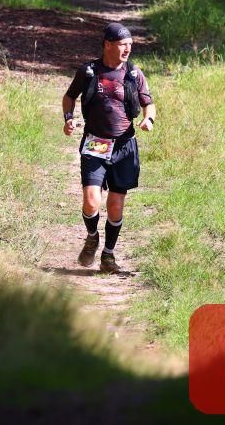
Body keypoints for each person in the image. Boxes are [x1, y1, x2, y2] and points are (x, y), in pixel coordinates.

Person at [62, 23, 156, 274]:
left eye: (130, 45)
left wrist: (148, 119)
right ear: (107, 44)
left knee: (115, 205)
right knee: (91, 201)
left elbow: (148, 103)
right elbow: (69, 96)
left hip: (124, 145)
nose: (128, 49)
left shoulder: (134, 73)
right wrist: (68, 118)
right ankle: (92, 236)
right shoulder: (89, 71)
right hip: (95, 142)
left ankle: (108, 255)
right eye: (123, 44)